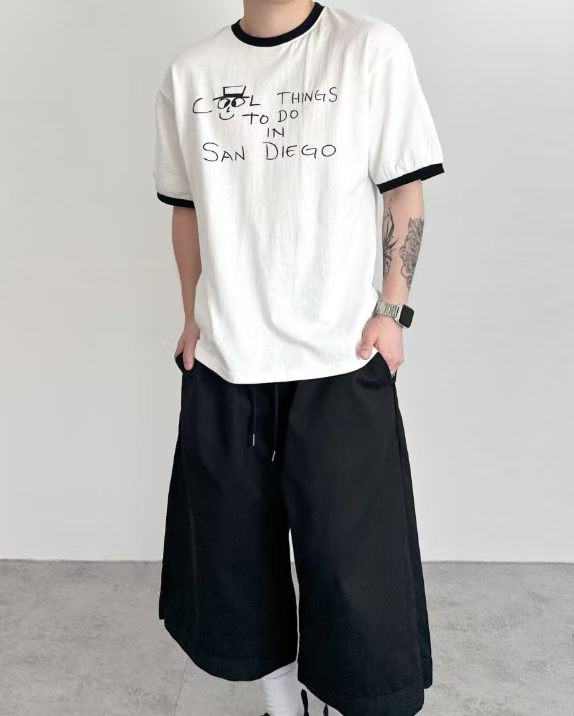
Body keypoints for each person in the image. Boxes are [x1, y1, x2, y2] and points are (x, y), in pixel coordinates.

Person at [153, 1, 444, 714]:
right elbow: (186, 209)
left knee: (354, 565)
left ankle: (349, 699)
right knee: (237, 562)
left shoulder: (368, 49)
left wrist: (392, 310)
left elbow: (403, 190)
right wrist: (190, 316)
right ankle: (284, 706)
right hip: (227, 361)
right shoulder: (192, 73)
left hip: (338, 356)